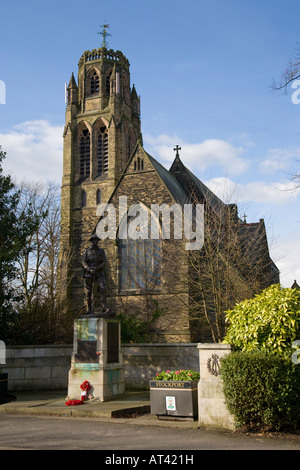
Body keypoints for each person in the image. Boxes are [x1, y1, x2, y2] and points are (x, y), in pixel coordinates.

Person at [82, 234, 109, 315]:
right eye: (94, 240)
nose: (96, 241)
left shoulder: (101, 251)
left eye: (97, 240)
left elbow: (104, 262)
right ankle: (89, 309)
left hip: (99, 271)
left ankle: (104, 307)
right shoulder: (87, 251)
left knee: (103, 288)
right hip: (89, 272)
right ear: (92, 241)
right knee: (89, 291)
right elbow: (83, 262)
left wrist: (99, 267)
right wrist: (89, 269)